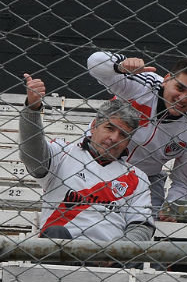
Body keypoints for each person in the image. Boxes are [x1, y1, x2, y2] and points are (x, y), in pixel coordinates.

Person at [19, 74, 153, 241]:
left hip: (112, 257)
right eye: (109, 128)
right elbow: (32, 157)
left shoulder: (138, 178)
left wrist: (121, 250)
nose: (114, 138)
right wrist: (32, 109)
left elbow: (141, 226)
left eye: (123, 135)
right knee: (55, 233)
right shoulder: (62, 153)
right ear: (95, 126)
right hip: (60, 250)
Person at [87, 52, 187, 215]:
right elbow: (94, 63)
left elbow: (183, 182)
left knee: (148, 229)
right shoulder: (143, 83)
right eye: (179, 88)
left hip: (145, 180)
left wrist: (171, 207)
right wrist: (119, 65)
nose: (183, 98)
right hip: (95, 163)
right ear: (166, 80)